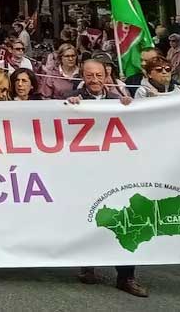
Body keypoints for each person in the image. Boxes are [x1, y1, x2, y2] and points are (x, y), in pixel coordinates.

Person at [68, 65, 144, 297]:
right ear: (83, 77)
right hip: (85, 171)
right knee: (88, 216)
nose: (94, 79)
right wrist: (67, 106)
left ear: (106, 77)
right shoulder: (72, 100)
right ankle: (88, 266)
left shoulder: (118, 100)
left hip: (115, 171)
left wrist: (133, 108)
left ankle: (126, 276)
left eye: (99, 75)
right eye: (89, 76)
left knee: (125, 218)